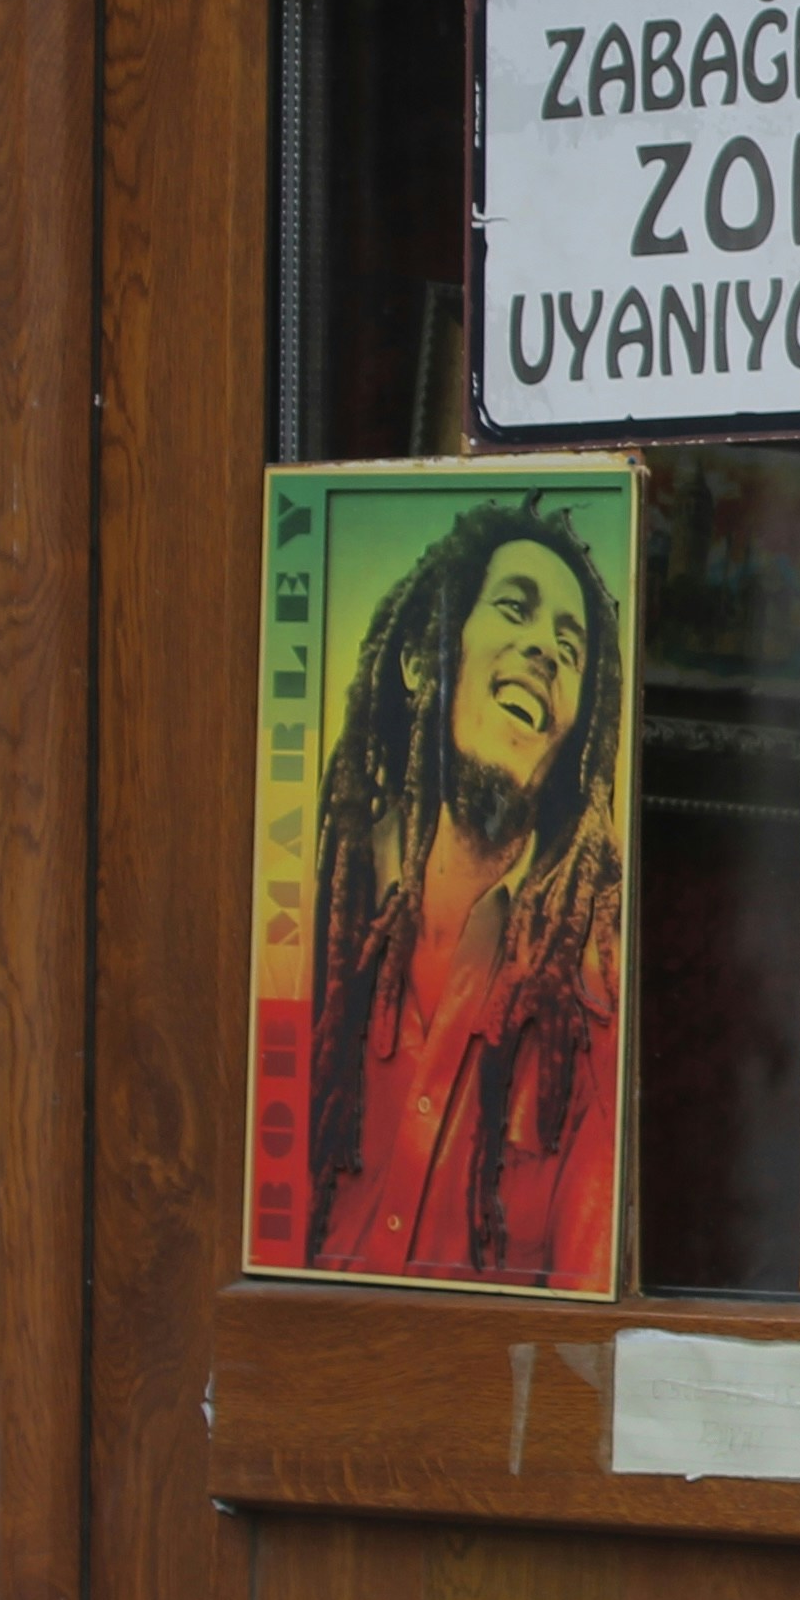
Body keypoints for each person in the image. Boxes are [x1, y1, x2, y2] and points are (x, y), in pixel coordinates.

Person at [300, 500, 625, 1288]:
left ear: (572, 743)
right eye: (514, 608)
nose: (545, 648)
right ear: (423, 660)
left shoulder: (595, 1019)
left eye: (570, 647)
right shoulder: (306, 930)